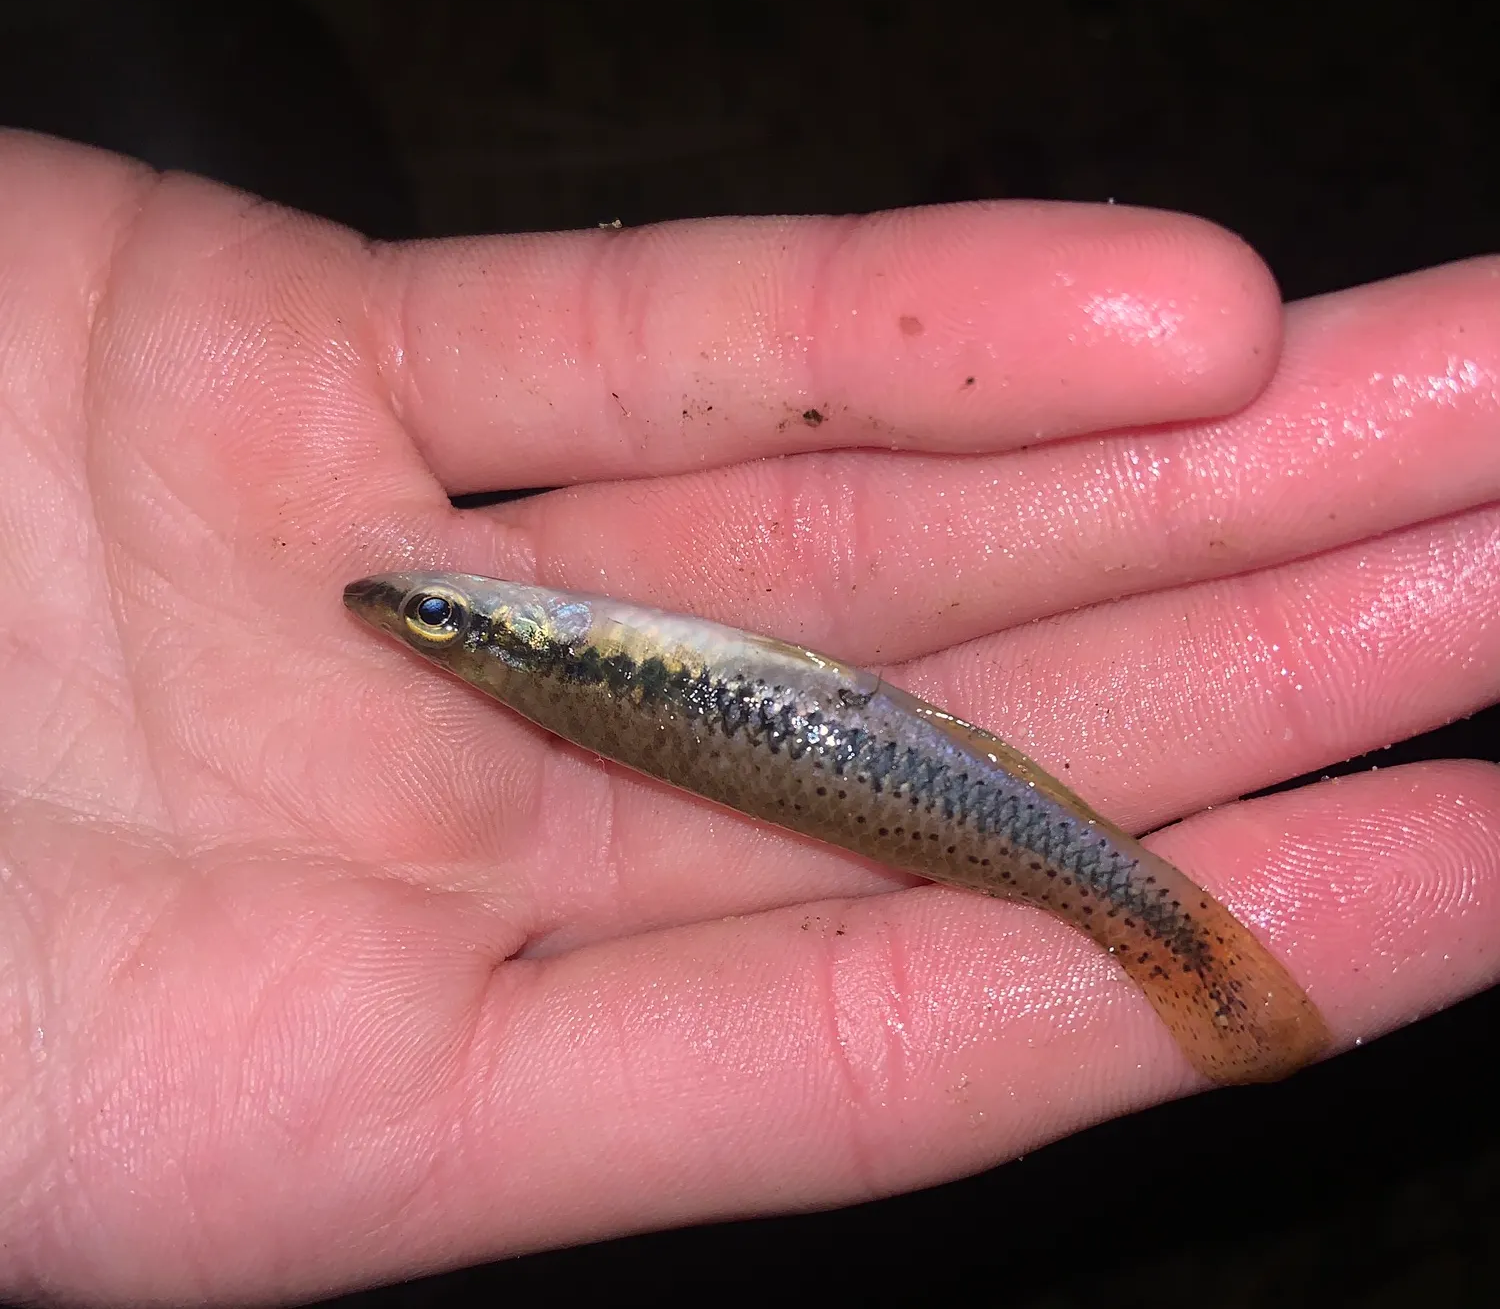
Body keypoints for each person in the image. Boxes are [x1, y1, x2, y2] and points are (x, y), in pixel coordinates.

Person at [1, 130, 1496, 1303]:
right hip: (890, 764)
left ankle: (1186, 957)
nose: (426, 613)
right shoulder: (560, 665)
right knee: (1047, 844)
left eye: (441, 617)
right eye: (443, 624)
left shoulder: (569, 669)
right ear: (515, 652)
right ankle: (1183, 957)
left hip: (886, 760)